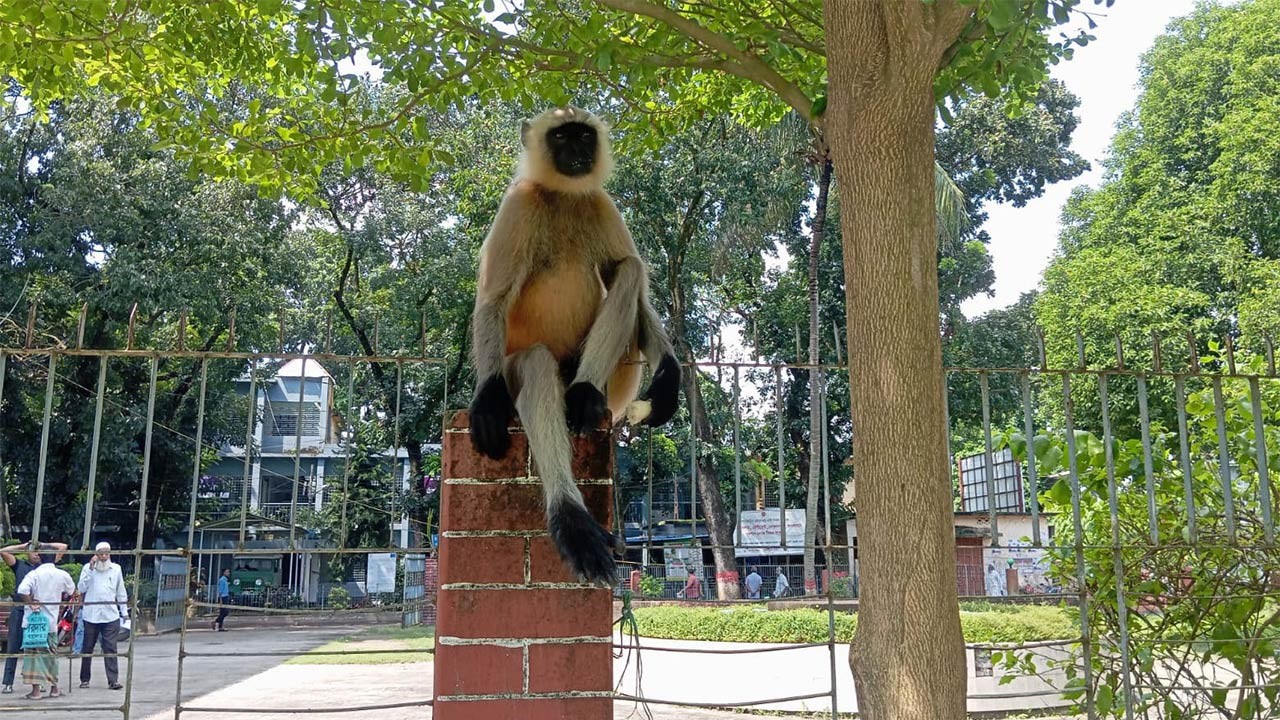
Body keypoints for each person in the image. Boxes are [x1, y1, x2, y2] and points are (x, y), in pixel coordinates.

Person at [1, 540, 66, 695]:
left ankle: (41, 682)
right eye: (33, 551)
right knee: (13, 646)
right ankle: (8, 683)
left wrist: (43, 544)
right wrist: (23, 546)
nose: (36, 554)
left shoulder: (47, 567)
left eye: (39, 551)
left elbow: (63, 547)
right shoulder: (20, 565)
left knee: (39, 647)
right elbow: (3, 551)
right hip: (20, 609)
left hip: (40, 612)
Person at [16, 546, 76, 700]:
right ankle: (54, 688)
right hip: (50, 623)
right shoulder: (62, 574)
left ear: (40, 558)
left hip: (34, 623)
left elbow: (22, 590)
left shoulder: (34, 574)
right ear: (55, 558)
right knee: (51, 655)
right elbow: (72, 591)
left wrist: (31, 603)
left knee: (33, 656)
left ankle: (36, 691)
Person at [77, 542, 127, 690]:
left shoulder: (116, 569)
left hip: (110, 615)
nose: (104, 557)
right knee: (88, 648)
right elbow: (81, 588)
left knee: (110, 648)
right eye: (101, 554)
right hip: (91, 615)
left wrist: (124, 612)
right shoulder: (87, 568)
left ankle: (113, 680)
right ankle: (85, 679)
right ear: (96, 554)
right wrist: (91, 569)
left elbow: (120, 591)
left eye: (107, 553)